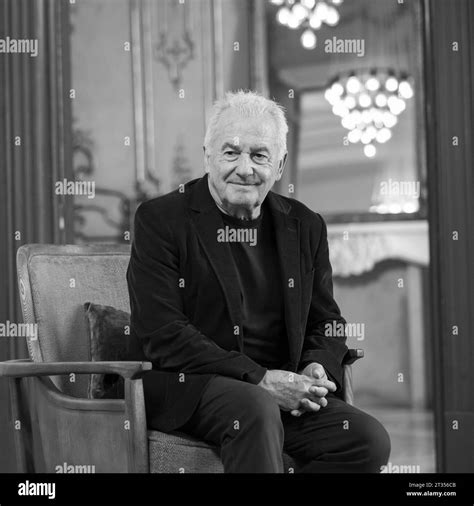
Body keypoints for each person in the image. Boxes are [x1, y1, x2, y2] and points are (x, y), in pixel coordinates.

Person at [126, 90, 390, 473]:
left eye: (259, 155)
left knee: (366, 440)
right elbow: (161, 332)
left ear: (279, 164)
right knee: (256, 406)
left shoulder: (304, 225)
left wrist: (317, 367)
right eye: (231, 152)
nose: (244, 168)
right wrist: (261, 379)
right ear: (208, 155)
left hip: (281, 388)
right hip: (189, 385)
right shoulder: (161, 219)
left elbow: (326, 321)